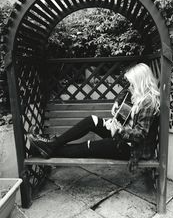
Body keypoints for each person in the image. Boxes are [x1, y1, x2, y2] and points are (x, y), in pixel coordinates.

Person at [28, 63, 160, 170]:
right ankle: (51, 145)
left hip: (132, 148)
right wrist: (117, 103)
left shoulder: (148, 102)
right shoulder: (137, 94)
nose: (130, 86)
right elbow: (124, 92)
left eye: (132, 83)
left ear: (141, 82)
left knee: (88, 147)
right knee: (91, 120)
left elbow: (141, 133)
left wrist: (119, 131)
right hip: (123, 137)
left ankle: (44, 149)